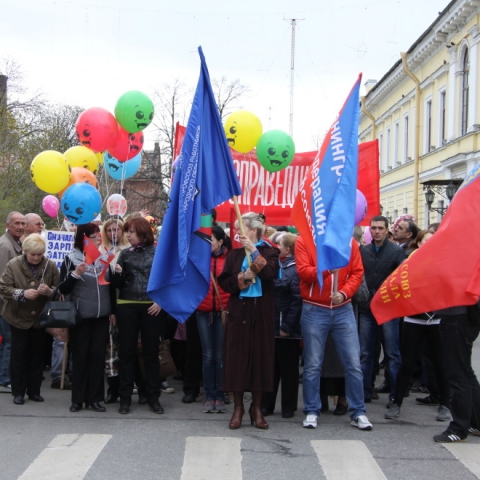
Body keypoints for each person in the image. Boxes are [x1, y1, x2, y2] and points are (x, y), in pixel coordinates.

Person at [296, 233, 372, 431]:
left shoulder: (349, 241)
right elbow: (304, 272)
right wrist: (328, 269)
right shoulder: (304, 240)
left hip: (342, 308)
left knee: (353, 363)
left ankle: (358, 412)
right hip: (314, 307)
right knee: (313, 364)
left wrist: (344, 292)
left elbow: (357, 272)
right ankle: (312, 410)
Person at [218, 212, 279, 430]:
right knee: (237, 360)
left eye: (241, 229)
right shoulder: (234, 255)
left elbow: (270, 274)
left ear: (253, 231)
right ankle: (238, 408)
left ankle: (257, 408)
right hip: (239, 312)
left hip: (261, 311)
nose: (236, 233)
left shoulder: (270, 252)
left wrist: (253, 251)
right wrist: (240, 278)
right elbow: (224, 281)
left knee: (260, 359)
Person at [385, 230, 451, 422]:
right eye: (426, 241)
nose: (429, 244)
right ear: (419, 243)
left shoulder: (443, 262)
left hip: (437, 319)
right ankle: (396, 402)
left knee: (440, 363)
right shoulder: (409, 263)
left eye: (433, 240)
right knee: (407, 362)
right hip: (414, 319)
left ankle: (445, 403)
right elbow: (400, 285)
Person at [110, 216, 163, 414]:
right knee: (127, 353)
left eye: (131, 231)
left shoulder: (158, 252)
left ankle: (153, 397)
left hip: (151, 306)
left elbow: (166, 280)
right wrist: (115, 273)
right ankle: (125, 399)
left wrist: (161, 302)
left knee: (151, 353)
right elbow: (116, 285)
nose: (128, 235)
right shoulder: (124, 254)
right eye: (127, 232)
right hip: (127, 305)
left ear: (142, 232)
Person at [58, 223, 113, 413]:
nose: (97, 238)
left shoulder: (105, 256)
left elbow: (112, 287)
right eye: (92, 236)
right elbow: (62, 288)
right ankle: (77, 399)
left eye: (98, 235)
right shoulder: (71, 257)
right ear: (83, 238)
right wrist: (76, 274)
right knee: (80, 358)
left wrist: (118, 272)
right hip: (80, 316)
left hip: (101, 316)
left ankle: (95, 399)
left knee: (97, 358)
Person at [0, 233, 59, 404]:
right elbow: (4, 287)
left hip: (40, 317)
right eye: (33, 254)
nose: (36, 257)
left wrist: (49, 292)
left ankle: (34, 391)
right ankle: (18, 392)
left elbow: (59, 288)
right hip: (17, 316)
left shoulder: (51, 265)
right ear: (25, 252)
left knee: (37, 355)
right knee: (19, 355)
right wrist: (22, 293)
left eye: (39, 254)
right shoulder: (13, 264)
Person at [359, 215, 406, 406]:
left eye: (380, 228)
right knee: (365, 353)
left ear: (387, 230)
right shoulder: (364, 251)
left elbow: (402, 278)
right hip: (366, 308)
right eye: (373, 228)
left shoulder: (396, 252)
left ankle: (396, 395)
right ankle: (363, 392)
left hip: (388, 308)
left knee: (392, 353)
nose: (376, 231)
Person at [262, 233, 302, 419]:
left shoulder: (294, 269)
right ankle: (267, 405)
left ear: (287, 249)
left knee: (289, 371)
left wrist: (287, 325)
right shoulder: (276, 265)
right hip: (271, 326)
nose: (275, 247)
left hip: (287, 328)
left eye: (278, 245)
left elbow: (296, 300)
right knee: (271, 369)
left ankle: (288, 407)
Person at [432, 303, 480, 443]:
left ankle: (459, 429)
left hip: (456, 319)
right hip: (460, 318)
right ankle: (475, 423)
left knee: (458, 375)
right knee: (465, 372)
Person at [197, 226, 231, 414]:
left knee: (220, 355)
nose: (207, 243)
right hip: (203, 312)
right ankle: (209, 395)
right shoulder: (199, 258)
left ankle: (220, 394)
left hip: (223, 311)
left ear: (220, 241)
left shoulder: (230, 258)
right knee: (207, 355)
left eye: (210, 239)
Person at [100, 217, 130, 404]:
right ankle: (113, 387)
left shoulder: (128, 250)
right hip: (108, 302)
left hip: (127, 299)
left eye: (117, 229)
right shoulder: (102, 251)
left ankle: (131, 383)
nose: (113, 233)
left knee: (127, 346)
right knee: (111, 347)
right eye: (110, 230)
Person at [0, 211, 25, 393]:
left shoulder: (15, 243)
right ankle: (6, 378)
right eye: (17, 223)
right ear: (8, 225)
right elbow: (2, 281)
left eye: (23, 224)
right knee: (9, 341)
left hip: (9, 302)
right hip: (6, 304)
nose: (21, 227)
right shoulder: (5, 246)